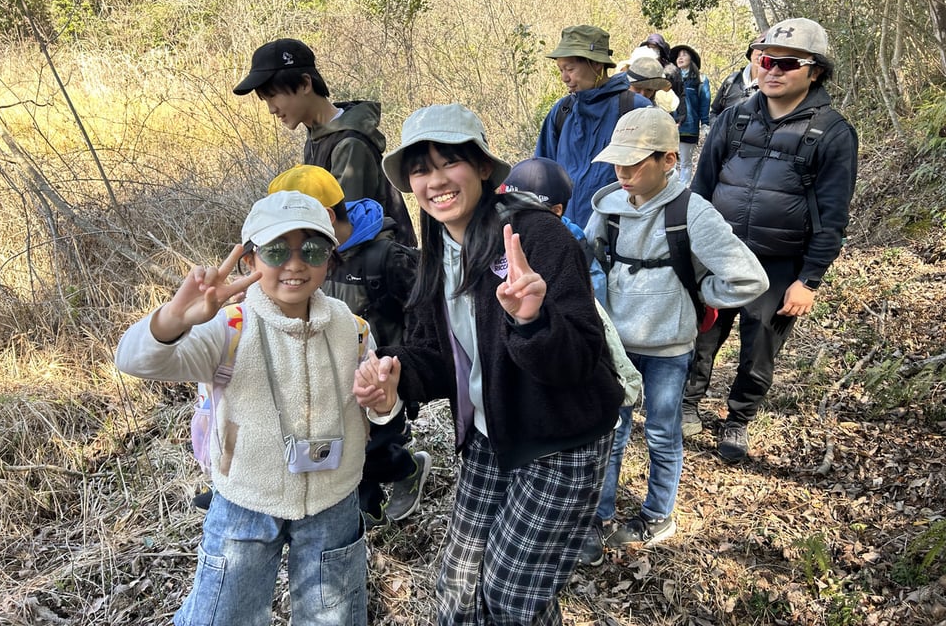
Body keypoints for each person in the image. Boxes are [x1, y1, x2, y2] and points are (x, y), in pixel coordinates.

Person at [353, 103, 624, 625]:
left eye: (449, 162)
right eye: (420, 170)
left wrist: (532, 321)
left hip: (561, 440)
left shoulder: (535, 237)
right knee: (457, 592)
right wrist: (395, 376)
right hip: (489, 435)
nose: (435, 181)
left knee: (512, 598)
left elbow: (580, 358)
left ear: (481, 166)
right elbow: (435, 352)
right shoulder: (437, 247)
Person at [115, 191, 372, 625]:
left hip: (334, 498)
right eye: (276, 251)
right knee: (222, 615)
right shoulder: (228, 328)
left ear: (330, 258)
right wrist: (175, 319)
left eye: (312, 249)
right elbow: (134, 360)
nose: (295, 264)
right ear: (250, 261)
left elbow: (375, 401)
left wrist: (384, 400)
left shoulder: (352, 327)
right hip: (245, 500)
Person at [580, 108, 768, 560]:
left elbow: (750, 279)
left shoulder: (693, 213)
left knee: (663, 433)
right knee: (610, 432)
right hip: (616, 348)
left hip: (669, 348)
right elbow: (586, 264)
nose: (622, 173)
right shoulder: (607, 209)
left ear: (668, 160)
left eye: (634, 163)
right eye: (618, 162)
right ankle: (598, 517)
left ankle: (658, 514)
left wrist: (701, 291)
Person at [683, 18, 859, 463]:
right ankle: (686, 403)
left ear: (815, 71)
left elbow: (832, 217)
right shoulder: (734, 118)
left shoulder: (832, 133)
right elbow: (701, 189)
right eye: (766, 60)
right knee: (701, 335)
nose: (773, 70)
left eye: (788, 63)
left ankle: (738, 418)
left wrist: (809, 280)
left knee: (759, 347)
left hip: (779, 263)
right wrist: (689, 247)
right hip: (719, 254)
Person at [267, 165, 430, 527]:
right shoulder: (304, 264)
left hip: (380, 378)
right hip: (328, 382)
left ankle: (405, 472)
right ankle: (364, 512)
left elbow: (424, 311)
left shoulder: (386, 256)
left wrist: (407, 371)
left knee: (373, 450)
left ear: (326, 217)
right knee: (346, 454)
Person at [233, 38, 416, 247]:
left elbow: (343, 231)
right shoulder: (318, 135)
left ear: (305, 84)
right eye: (265, 100)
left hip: (379, 262)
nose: (271, 109)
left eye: (273, 96)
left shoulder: (350, 144)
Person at [535, 25, 652, 229]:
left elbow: (655, 178)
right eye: (561, 70)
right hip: (566, 233)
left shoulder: (635, 109)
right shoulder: (562, 112)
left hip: (619, 233)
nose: (564, 78)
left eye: (570, 69)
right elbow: (541, 175)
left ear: (596, 64)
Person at [499, 156, 607, 307]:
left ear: (556, 211)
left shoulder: (575, 248)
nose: (514, 218)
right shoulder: (499, 236)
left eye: (525, 213)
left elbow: (594, 304)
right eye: (509, 208)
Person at [668, 44, 711, 186]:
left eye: (684, 54)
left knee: (685, 162)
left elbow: (704, 102)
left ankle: (684, 189)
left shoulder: (701, 79)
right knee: (669, 160)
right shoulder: (669, 78)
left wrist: (705, 123)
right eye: (678, 55)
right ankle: (669, 188)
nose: (680, 58)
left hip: (690, 126)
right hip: (670, 124)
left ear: (691, 59)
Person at [710, 31, 767, 118]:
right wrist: (716, 125)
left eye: (765, 52)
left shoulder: (771, 86)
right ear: (751, 53)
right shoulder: (732, 80)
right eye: (758, 49)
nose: (760, 56)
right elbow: (714, 111)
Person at [640, 33, 687, 126]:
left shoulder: (670, 70)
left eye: (655, 47)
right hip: (642, 111)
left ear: (661, 50)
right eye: (649, 47)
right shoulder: (639, 67)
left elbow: (680, 93)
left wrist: (681, 117)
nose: (652, 50)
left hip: (664, 114)